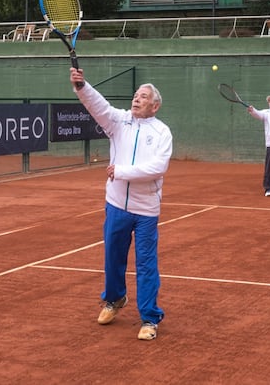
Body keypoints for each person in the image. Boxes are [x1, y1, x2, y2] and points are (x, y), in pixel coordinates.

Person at [70, 67, 173, 341]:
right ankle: (114, 300)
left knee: (146, 264)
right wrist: (82, 86)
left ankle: (150, 318)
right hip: (115, 205)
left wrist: (122, 171)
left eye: (144, 96)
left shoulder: (162, 132)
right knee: (113, 258)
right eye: (136, 95)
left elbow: (158, 167)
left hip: (146, 210)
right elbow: (97, 105)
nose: (137, 99)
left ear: (155, 105)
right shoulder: (118, 122)